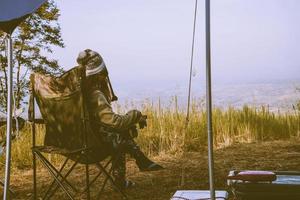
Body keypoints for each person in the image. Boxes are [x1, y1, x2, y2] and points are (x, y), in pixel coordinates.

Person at [77, 49, 163, 189]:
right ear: (99, 74)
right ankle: (137, 164)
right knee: (121, 133)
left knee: (118, 133)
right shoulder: (95, 95)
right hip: (91, 148)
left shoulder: (79, 94)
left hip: (73, 145)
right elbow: (116, 123)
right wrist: (136, 115)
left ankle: (140, 162)